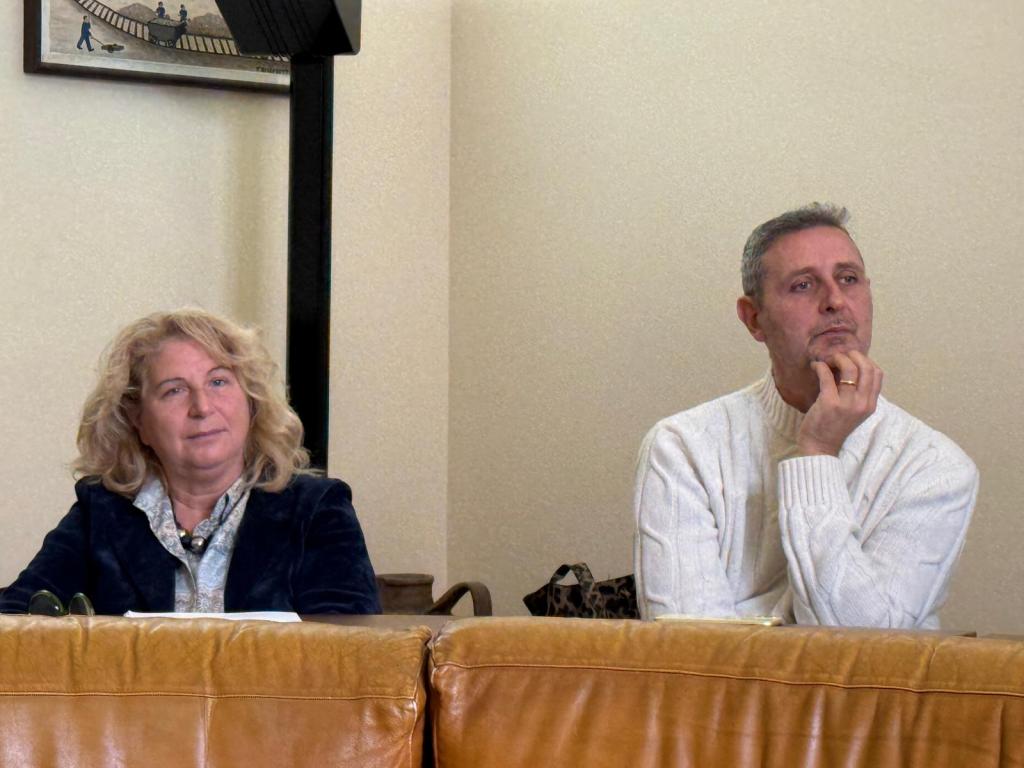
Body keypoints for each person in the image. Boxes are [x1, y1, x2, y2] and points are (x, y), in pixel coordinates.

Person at [633, 203, 978, 628]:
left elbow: (868, 655)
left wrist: (817, 452)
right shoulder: (681, 447)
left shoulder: (937, 467)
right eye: (802, 285)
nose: (835, 301)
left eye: (848, 279)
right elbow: (688, 658)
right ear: (754, 319)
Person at [0, 308, 380, 615]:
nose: (202, 407)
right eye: (174, 390)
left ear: (250, 400)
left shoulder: (316, 510)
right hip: (132, 712)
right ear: (137, 419)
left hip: (274, 711)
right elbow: (16, 619)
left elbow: (349, 653)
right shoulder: (102, 512)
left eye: (218, 382)